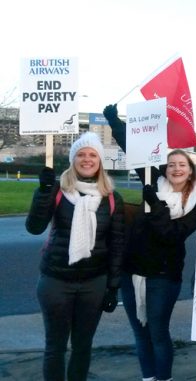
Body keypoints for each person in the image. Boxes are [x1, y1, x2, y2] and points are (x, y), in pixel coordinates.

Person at [104, 104, 196, 381]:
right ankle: (148, 378)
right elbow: (134, 150)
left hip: (164, 276)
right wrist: (114, 121)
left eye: (182, 165)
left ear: (190, 171)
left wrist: (155, 204)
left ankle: (163, 378)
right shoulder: (153, 179)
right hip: (134, 273)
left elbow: (171, 234)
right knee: (139, 333)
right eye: (171, 164)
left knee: (157, 331)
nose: (176, 168)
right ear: (165, 169)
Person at [26, 132, 125, 381]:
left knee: (83, 347)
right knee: (55, 347)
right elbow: (34, 227)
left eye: (93, 154)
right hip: (56, 281)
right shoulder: (58, 191)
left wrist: (113, 287)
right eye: (81, 154)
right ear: (73, 159)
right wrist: (44, 191)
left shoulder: (112, 198)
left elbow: (116, 245)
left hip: (94, 283)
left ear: (100, 160)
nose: (87, 159)